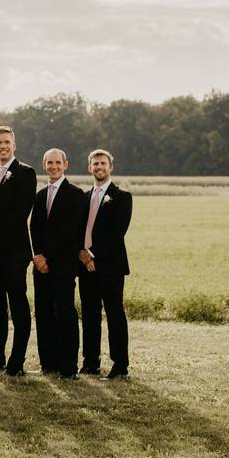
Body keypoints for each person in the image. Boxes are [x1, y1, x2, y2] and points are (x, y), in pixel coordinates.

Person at [0, 126, 36, 376]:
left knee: (18, 306)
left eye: (6, 142)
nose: (2, 146)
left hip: (13, 252)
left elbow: (19, 213)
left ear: (14, 144)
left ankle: (17, 361)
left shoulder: (25, 173)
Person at [30, 149, 86, 379]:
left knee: (65, 313)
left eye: (57, 162)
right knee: (43, 313)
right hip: (41, 266)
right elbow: (34, 227)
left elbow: (70, 231)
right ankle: (48, 363)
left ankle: (68, 367)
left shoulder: (75, 194)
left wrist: (48, 256)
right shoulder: (40, 195)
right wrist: (38, 256)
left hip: (63, 264)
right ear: (44, 165)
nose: (53, 166)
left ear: (66, 164)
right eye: (49, 163)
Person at [78, 149, 133, 380]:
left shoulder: (122, 196)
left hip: (110, 266)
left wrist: (91, 254)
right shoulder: (84, 196)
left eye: (103, 163)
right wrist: (81, 254)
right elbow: (78, 229)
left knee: (114, 315)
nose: (99, 167)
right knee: (90, 315)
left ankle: (120, 366)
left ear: (111, 167)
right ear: (89, 167)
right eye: (95, 164)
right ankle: (91, 363)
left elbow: (116, 233)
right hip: (85, 266)